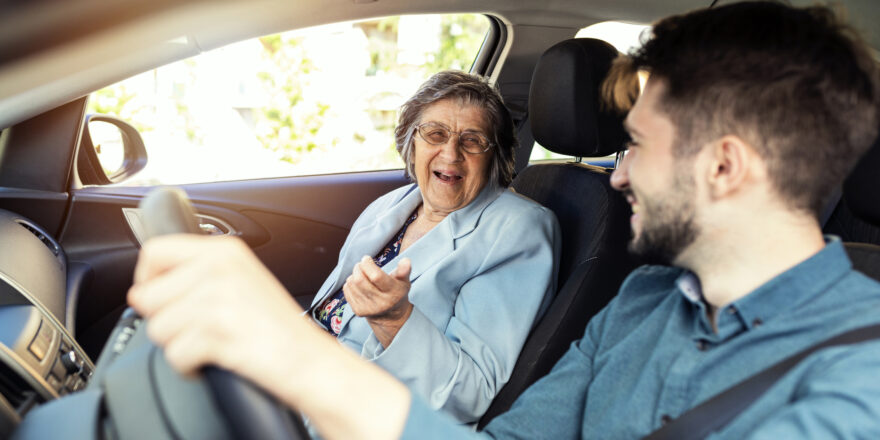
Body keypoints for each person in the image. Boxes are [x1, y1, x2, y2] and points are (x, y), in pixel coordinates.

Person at [128, 1, 880, 439]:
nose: (615, 174)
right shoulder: (641, 302)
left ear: (723, 166)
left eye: (638, 147)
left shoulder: (860, 378)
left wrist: (293, 359)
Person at [304, 70, 559, 422]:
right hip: (305, 379)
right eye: (435, 134)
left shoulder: (518, 229)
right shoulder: (397, 203)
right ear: (411, 143)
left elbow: (470, 392)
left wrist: (393, 321)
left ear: (494, 156)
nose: (451, 154)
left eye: (472, 140)